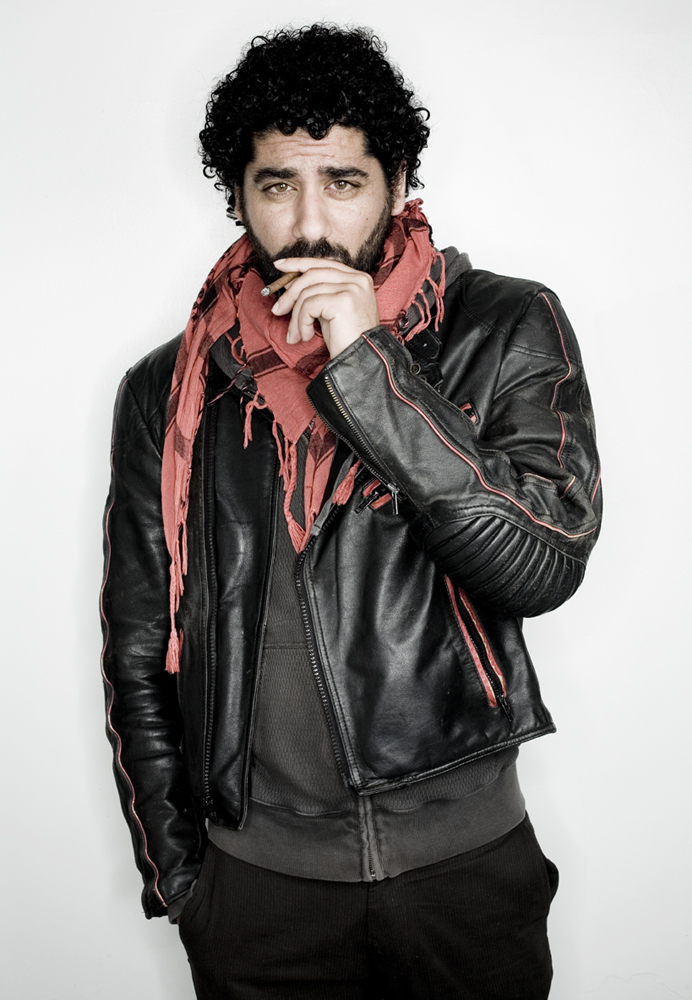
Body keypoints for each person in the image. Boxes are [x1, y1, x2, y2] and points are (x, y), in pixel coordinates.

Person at [100, 23, 601, 1000]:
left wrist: (372, 371)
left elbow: (539, 565)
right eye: (276, 184)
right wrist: (184, 883)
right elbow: (139, 644)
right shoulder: (172, 387)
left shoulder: (504, 326)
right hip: (257, 899)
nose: (309, 222)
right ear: (238, 196)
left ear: (398, 182)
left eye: (342, 181)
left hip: (463, 877)